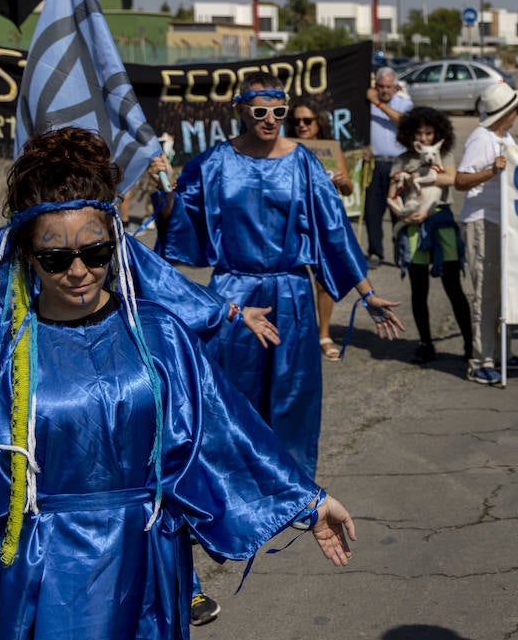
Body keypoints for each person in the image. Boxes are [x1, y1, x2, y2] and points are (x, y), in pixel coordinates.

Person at [0, 127, 359, 640]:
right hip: (44, 575)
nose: (78, 271)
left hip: (146, 566)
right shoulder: (0, 353)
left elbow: (223, 431)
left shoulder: (158, 335)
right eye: (55, 258)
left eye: (96, 252)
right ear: (24, 257)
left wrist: (306, 500)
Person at [151, 70, 404, 475]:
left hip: (291, 293)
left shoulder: (302, 162)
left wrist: (367, 293)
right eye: (261, 110)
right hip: (234, 289)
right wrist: (164, 193)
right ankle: (233, 484)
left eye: (279, 111)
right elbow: (179, 218)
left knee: (293, 395)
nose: (271, 119)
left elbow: (334, 230)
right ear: (241, 110)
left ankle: (290, 484)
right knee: (232, 392)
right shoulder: (215, 162)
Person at [455, 83, 518, 384]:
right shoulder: (481, 138)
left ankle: (502, 354)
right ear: (507, 112)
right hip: (482, 222)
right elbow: (461, 180)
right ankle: (480, 360)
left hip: (502, 224)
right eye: (516, 108)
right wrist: (491, 170)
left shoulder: (504, 136)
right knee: (485, 294)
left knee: (503, 292)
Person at [385, 107, 473, 365]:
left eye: (429, 132)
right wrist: (402, 216)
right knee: (418, 288)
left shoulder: (444, 153)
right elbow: (392, 193)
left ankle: (470, 342)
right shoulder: (401, 160)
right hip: (412, 227)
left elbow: (452, 178)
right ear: (409, 134)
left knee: (453, 286)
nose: (424, 138)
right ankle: (425, 343)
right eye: (419, 132)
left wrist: (416, 177)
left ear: (438, 133)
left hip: (442, 223)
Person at [287, 102, 354, 362]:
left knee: (323, 281)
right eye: (296, 121)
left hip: (321, 220)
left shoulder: (330, 149)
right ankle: (294, 335)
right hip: (291, 221)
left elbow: (348, 189)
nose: (302, 126)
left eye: (307, 121)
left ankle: (324, 333)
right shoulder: (283, 148)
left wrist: (342, 181)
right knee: (290, 279)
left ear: (318, 123)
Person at [362, 67, 414, 265]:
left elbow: (405, 122)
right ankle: (375, 251)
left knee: (398, 211)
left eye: (388, 87)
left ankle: (401, 252)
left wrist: (378, 103)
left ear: (395, 87)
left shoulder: (404, 103)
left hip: (398, 164)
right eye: (380, 86)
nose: (384, 91)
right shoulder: (367, 105)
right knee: (372, 212)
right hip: (375, 162)